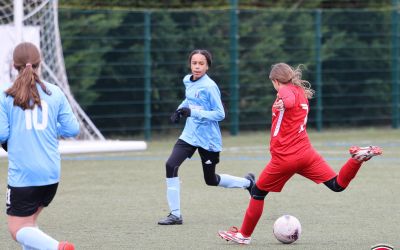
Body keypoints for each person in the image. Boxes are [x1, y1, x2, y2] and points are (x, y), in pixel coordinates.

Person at [218, 62, 382, 245]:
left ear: (275, 80)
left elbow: (287, 99)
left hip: (285, 158)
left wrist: (283, 103)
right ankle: (356, 160)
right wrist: (284, 104)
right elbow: (291, 100)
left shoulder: (285, 91)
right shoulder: (300, 92)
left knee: (257, 192)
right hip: (306, 153)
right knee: (337, 185)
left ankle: (243, 235)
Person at [158, 49, 255, 225]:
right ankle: (175, 215)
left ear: (207, 66)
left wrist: (192, 112)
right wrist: (179, 110)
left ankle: (248, 183)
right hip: (189, 135)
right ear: (190, 64)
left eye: (201, 63)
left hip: (208, 139)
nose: (197, 66)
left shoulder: (210, 87)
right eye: (194, 63)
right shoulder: (187, 80)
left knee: (210, 180)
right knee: (170, 165)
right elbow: (189, 100)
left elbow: (220, 114)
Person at [0, 42, 80, 250]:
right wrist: (50, 131)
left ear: (13, 65)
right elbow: (72, 129)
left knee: (17, 230)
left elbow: (2, 134)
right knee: (30, 226)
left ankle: (58, 248)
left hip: (24, 177)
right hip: (51, 175)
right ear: (39, 63)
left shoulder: (5, 95)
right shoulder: (55, 92)